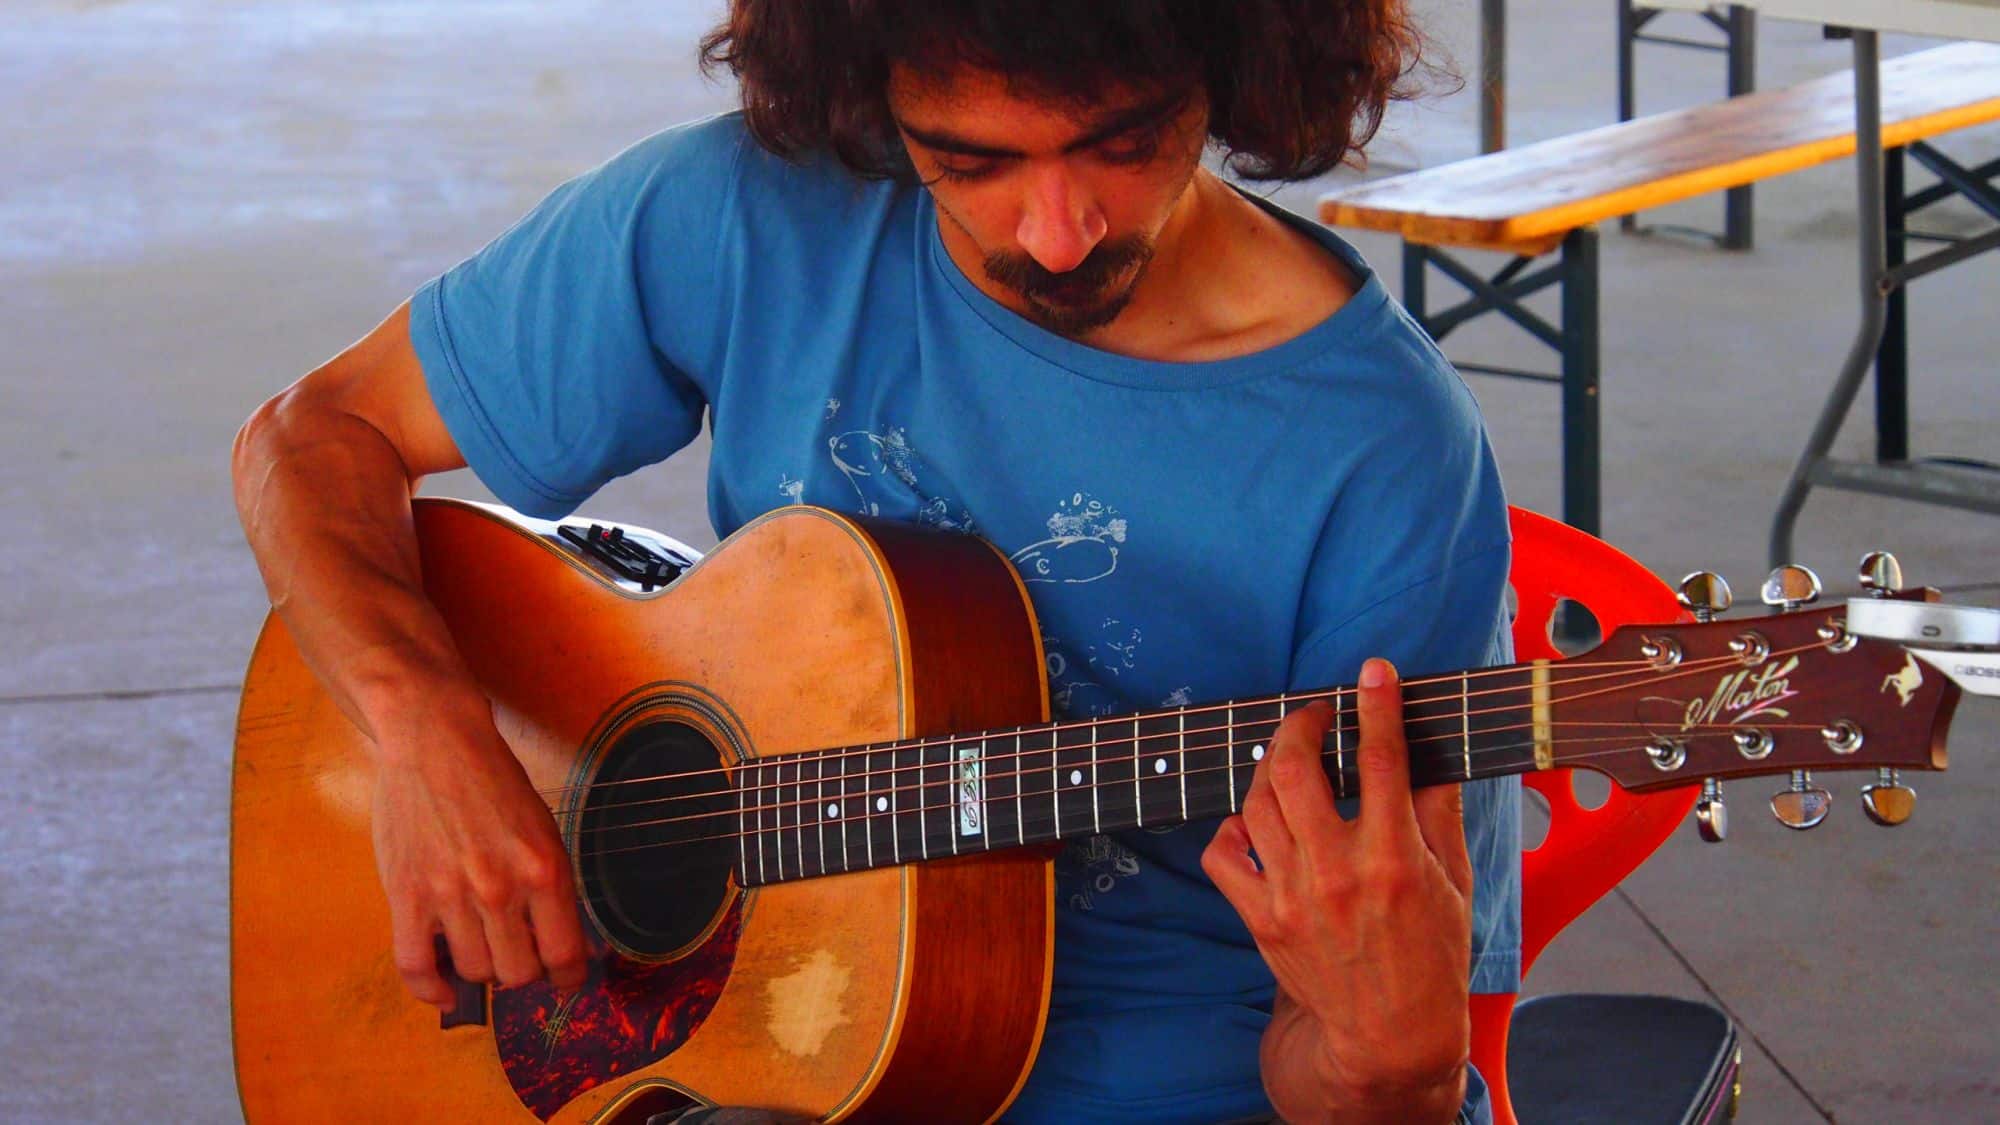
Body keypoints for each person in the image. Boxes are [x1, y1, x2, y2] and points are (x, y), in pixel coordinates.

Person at [231, 2, 1519, 1122]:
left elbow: (1338, 1075)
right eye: (971, 163)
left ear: (1234, 63)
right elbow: (312, 441)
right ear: (871, 90)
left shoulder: (1382, 455)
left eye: (1123, 144)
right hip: (754, 1059)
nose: (1059, 232)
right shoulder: (748, 218)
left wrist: (1388, 1066)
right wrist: (426, 739)